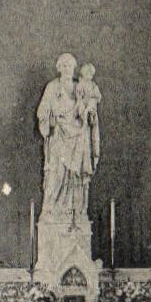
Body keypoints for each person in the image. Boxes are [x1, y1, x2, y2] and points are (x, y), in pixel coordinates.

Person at [36, 53, 96, 221]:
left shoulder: (80, 87)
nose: (68, 69)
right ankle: (52, 210)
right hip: (58, 136)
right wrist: (51, 118)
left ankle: (74, 211)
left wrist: (90, 114)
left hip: (77, 139)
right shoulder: (52, 87)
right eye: (64, 66)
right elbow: (42, 111)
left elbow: (89, 113)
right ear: (59, 68)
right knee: (56, 173)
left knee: (75, 176)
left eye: (70, 66)